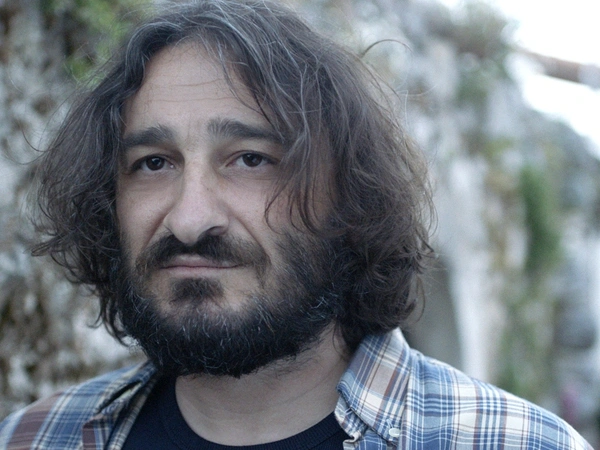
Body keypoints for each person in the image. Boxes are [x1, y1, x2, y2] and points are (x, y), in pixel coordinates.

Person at [0, 1, 592, 449]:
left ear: (349, 198)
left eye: (250, 159)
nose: (189, 219)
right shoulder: (35, 438)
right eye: (153, 163)